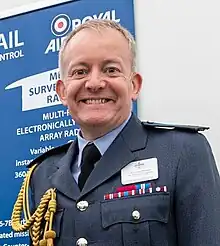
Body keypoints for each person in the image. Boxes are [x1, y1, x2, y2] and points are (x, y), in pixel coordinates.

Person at [11, 19, 220, 246]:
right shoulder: (43, 173)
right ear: (62, 91)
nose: (94, 83)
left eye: (111, 70)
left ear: (135, 85)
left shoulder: (183, 154)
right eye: (80, 72)